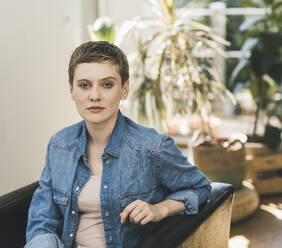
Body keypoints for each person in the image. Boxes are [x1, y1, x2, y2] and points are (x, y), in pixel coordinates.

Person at [25, 41, 211, 248]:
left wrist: (159, 209)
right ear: (72, 90)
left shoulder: (152, 147)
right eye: (84, 85)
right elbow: (41, 222)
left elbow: (200, 187)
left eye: (107, 84)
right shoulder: (59, 145)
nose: (94, 96)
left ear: (124, 89)